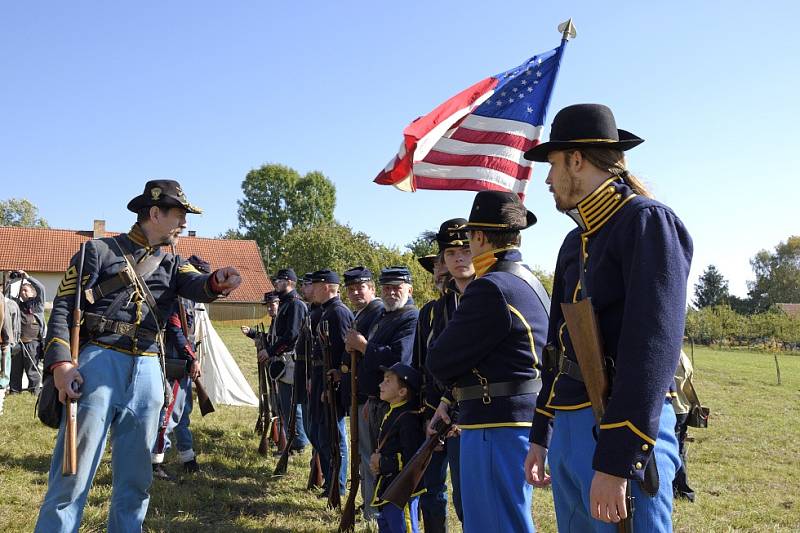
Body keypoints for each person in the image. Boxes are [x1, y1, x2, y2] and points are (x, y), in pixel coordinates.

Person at [35, 179, 241, 533]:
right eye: (179, 214)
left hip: (148, 370)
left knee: (136, 480)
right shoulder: (96, 252)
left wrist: (218, 281)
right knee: (73, 474)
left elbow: (200, 285)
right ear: (155, 213)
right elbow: (63, 309)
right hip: (99, 362)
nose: (184, 223)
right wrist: (61, 363)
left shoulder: (174, 264)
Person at [524, 103, 693, 531]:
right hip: (570, 426)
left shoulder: (646, 222)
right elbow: (557, 350)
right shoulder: (573, 242)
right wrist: (542, 433)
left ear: (576, 160)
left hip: (618, 428)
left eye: (553, 164)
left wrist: (618, 461)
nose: (547, 179)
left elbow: (651, 350)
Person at [426, 191, 549, 533]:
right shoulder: (528, 281)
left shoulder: (490, 287)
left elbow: (439, 361)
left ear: (479, 237)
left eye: (468, 238)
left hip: (495, 421)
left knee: (494, 523)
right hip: (514, 418)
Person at [418, 218, 475, 532]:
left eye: (465, 249)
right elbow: (433, 362)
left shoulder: (488, 293)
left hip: (483, 413)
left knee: (479, 500)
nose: (458, 259)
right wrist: (441, 406)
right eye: (450, 253)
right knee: (452, 496)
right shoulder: (440, 308)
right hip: (447, 409)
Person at [344, 266, 419, 498]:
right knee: (368, 457)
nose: (391, 292)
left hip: (393, 403)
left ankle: (376, 513)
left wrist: (364, 346)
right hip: (374, 399)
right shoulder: (385, 315)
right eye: (387, 288)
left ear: (409, 289)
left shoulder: (410, 316)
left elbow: (398, 359)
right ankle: (371, 507)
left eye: (397, 287)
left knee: (381, 460)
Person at [151, 254, 211, 479]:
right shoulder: (178, 299)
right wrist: (190, 357)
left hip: (186, 359)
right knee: (168, 413)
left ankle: (188, 458)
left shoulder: (190, 300)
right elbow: (176, 331)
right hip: (177, 360)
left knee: (183, 414)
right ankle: (155, 461)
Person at [342, 265, 385, 520]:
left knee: (370, 457)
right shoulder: (361, 314)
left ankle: (373, 513)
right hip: (360, 394)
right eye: (352, 289)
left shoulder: (377, 312)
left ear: (371, 288)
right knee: (363, 455)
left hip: (371, 395)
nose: (356, 292)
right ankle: (369, 506)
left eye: (361, 287)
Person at [309, 269, 352, 497]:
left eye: (315, 285)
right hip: (320, 378)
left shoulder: (338, 313)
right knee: (319, 434)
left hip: (331, 382)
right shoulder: (327, 311)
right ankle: (330, 480)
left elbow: (343, 354)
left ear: (326, 286)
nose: (311, 290)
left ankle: (338, 483)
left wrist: (333, 387)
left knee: (333, 436)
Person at [257, 268, 310, 453]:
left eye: (278, 281)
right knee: (285, 406)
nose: (275, 284)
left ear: (288, 282)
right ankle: (294, 441)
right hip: (283, 360)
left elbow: (291, 336)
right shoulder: (287, 303)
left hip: (291, 361)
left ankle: (299, 444)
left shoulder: (295, 305)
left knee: (292, 406)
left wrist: (270, 351)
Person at [370, 363, 426, 533]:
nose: (381, 384)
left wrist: (382, 462)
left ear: (402, 392)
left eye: (388, 381)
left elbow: (412, 460)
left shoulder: (408, 419)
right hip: (389, 485)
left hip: (402, 490)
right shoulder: (392, 411)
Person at [9, 271, 46, 394]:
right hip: (18, 343)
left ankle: (34, 392)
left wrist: (27, 278)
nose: (22, 292)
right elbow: (5, 296)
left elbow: (41, 288)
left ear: (32, 292)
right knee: (15, 370)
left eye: (26, 290)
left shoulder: (37, 304)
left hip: (33, 343)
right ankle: (14, 391)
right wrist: (10, 281)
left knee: (32, 370)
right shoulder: (16, 304)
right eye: (21, 291)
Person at [672, 350, 697, 502]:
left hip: (674, 409)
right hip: (684, 409)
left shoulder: (672, 356)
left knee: (675, 451)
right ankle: (683, 490)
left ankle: (681, 489)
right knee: (679, 449)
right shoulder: (684, 358)